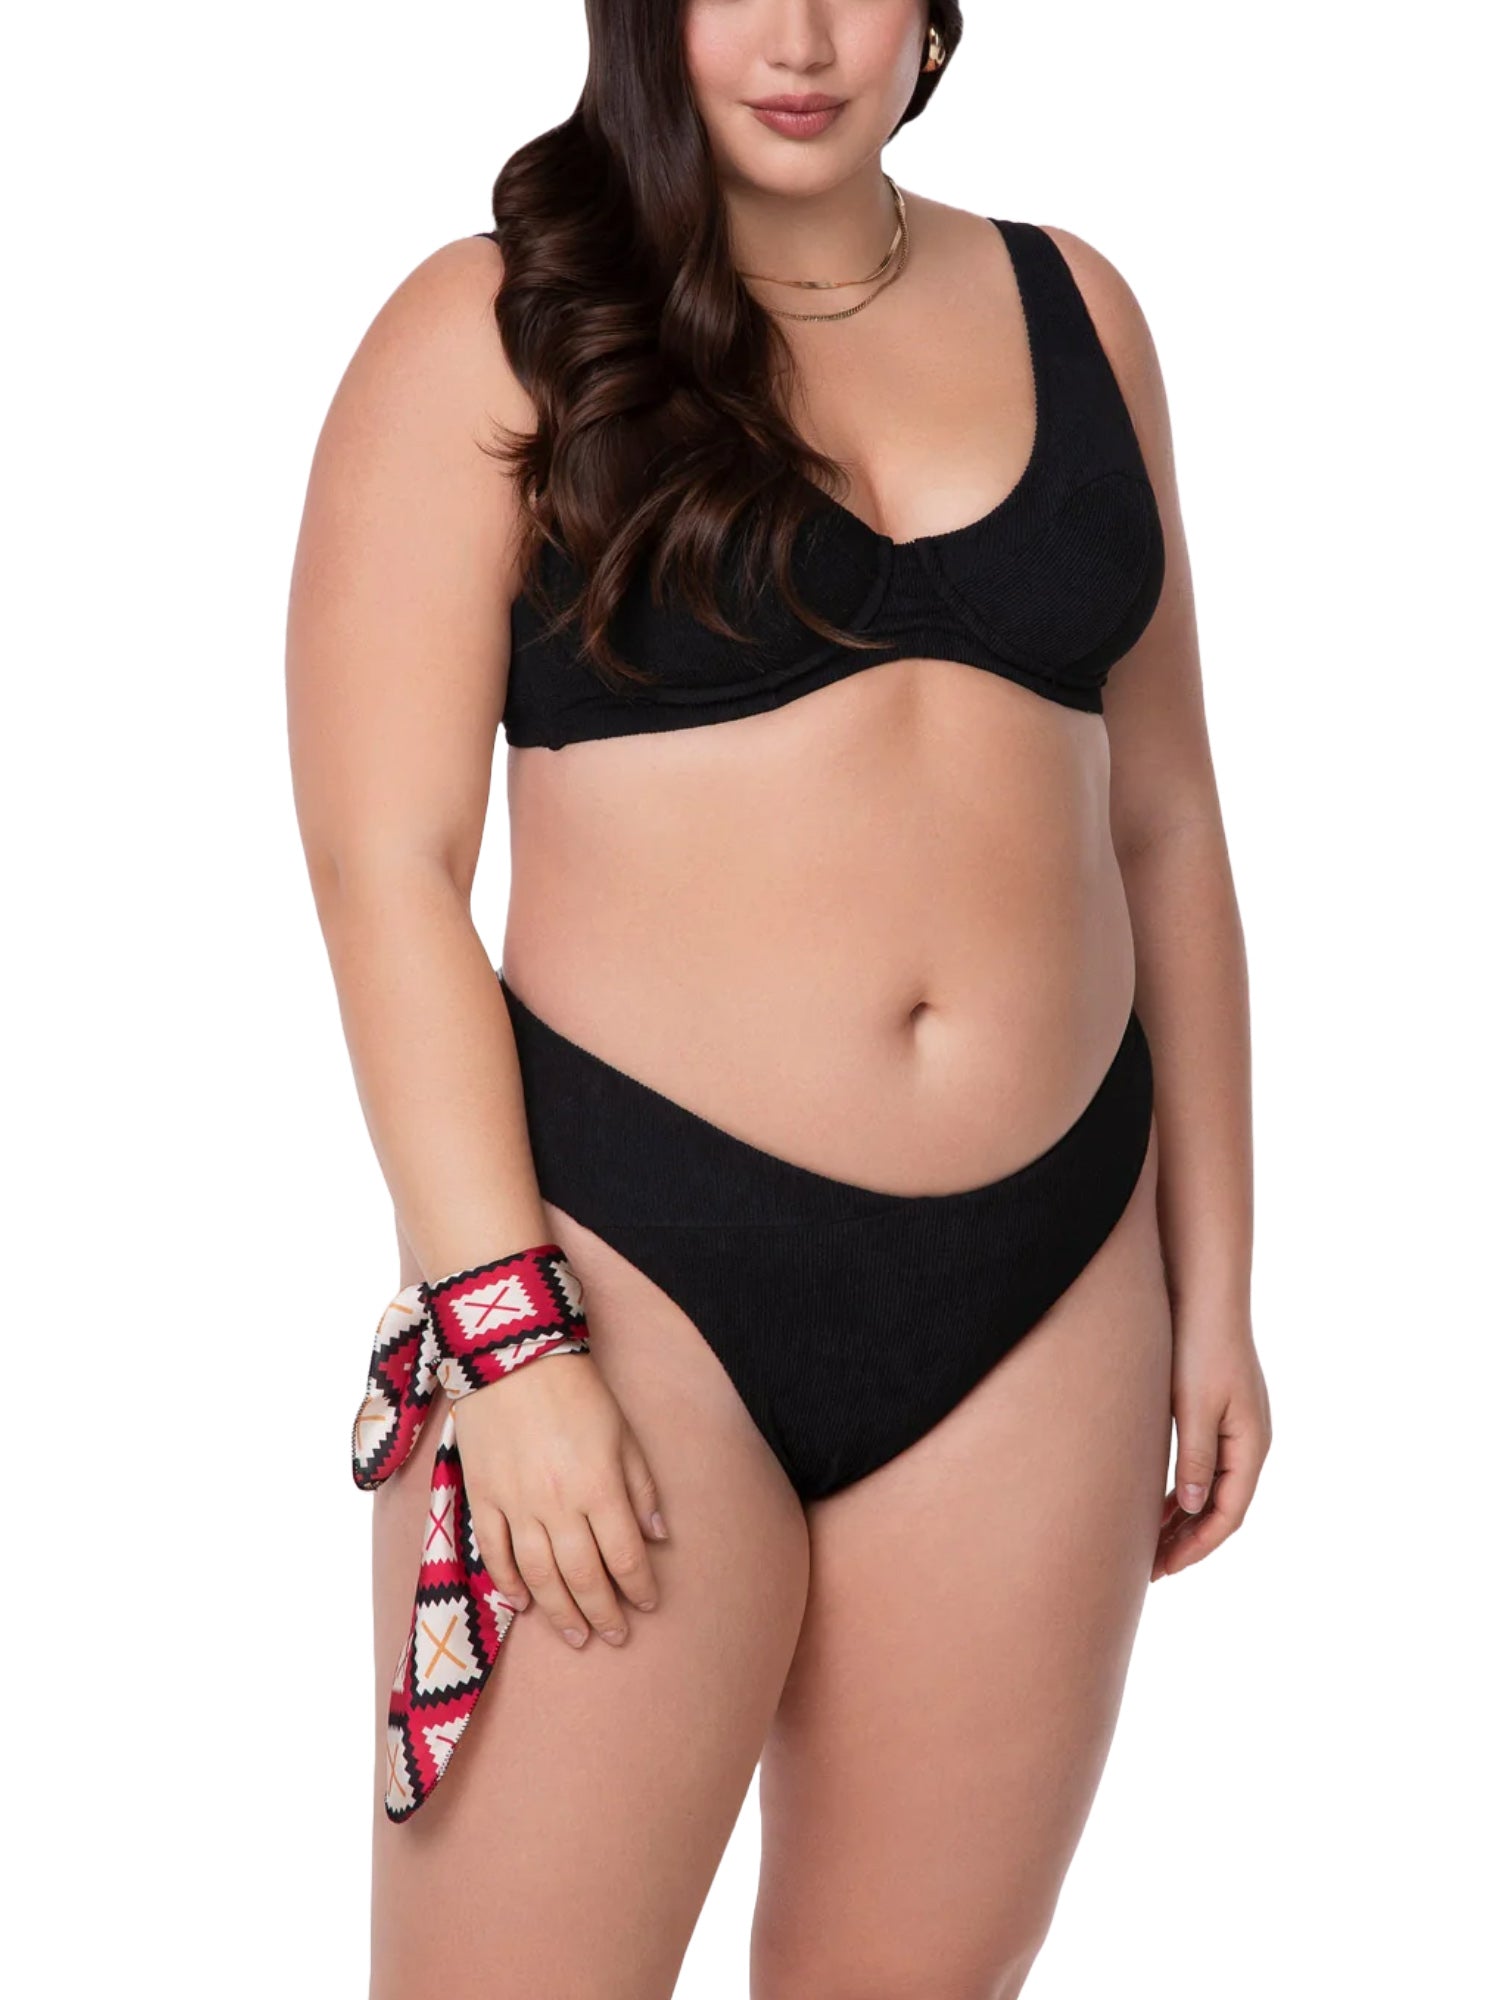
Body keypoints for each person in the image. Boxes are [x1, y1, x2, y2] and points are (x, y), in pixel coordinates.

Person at [287, 4, 1272, 1994]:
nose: (804, 35)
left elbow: (1167, 822)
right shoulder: (486, 330)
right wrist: (507, 1343)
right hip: (627, 1282)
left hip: (1048, 1287)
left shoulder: (1079, 308)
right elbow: (383, 867)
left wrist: (1217, 1283)